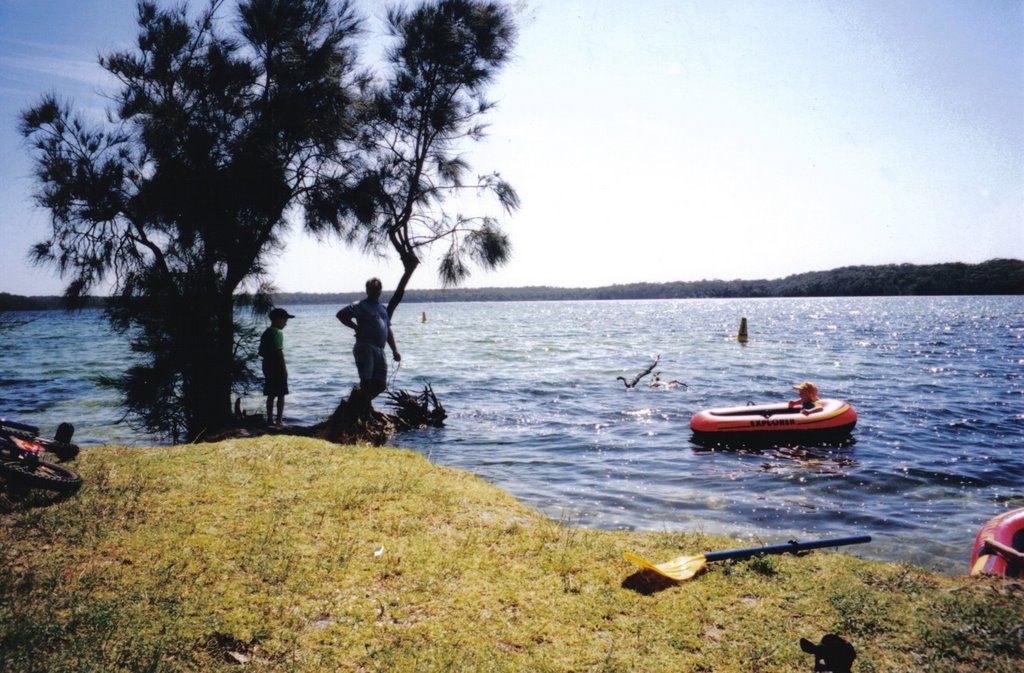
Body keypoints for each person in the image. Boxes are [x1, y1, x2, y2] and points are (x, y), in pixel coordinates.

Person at [336, 278, 401, 402]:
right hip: (365, 346)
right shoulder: (359, 305)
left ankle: (359, 405)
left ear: (380, 290)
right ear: (367, 290)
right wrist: (355, 327)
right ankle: (358, 408)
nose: (374, 292)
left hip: (380, 349)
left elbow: (387, 330)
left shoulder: (382, 308)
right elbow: (341, 315)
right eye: (371, 289)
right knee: (366, 381)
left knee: (381, 385)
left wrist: (394, 350)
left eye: (377, 289)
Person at [259, 307, 294, 427]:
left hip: (267, 366)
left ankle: (269, 419)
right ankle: (279, 421)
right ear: (278, 319)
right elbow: (280, 353)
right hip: (277, 366)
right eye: (285, 320)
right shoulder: (278, 333)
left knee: (270, 393)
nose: (286, 323)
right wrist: (284, 370)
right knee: (281, 394)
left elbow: (261, 352)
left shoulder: (266, 332)